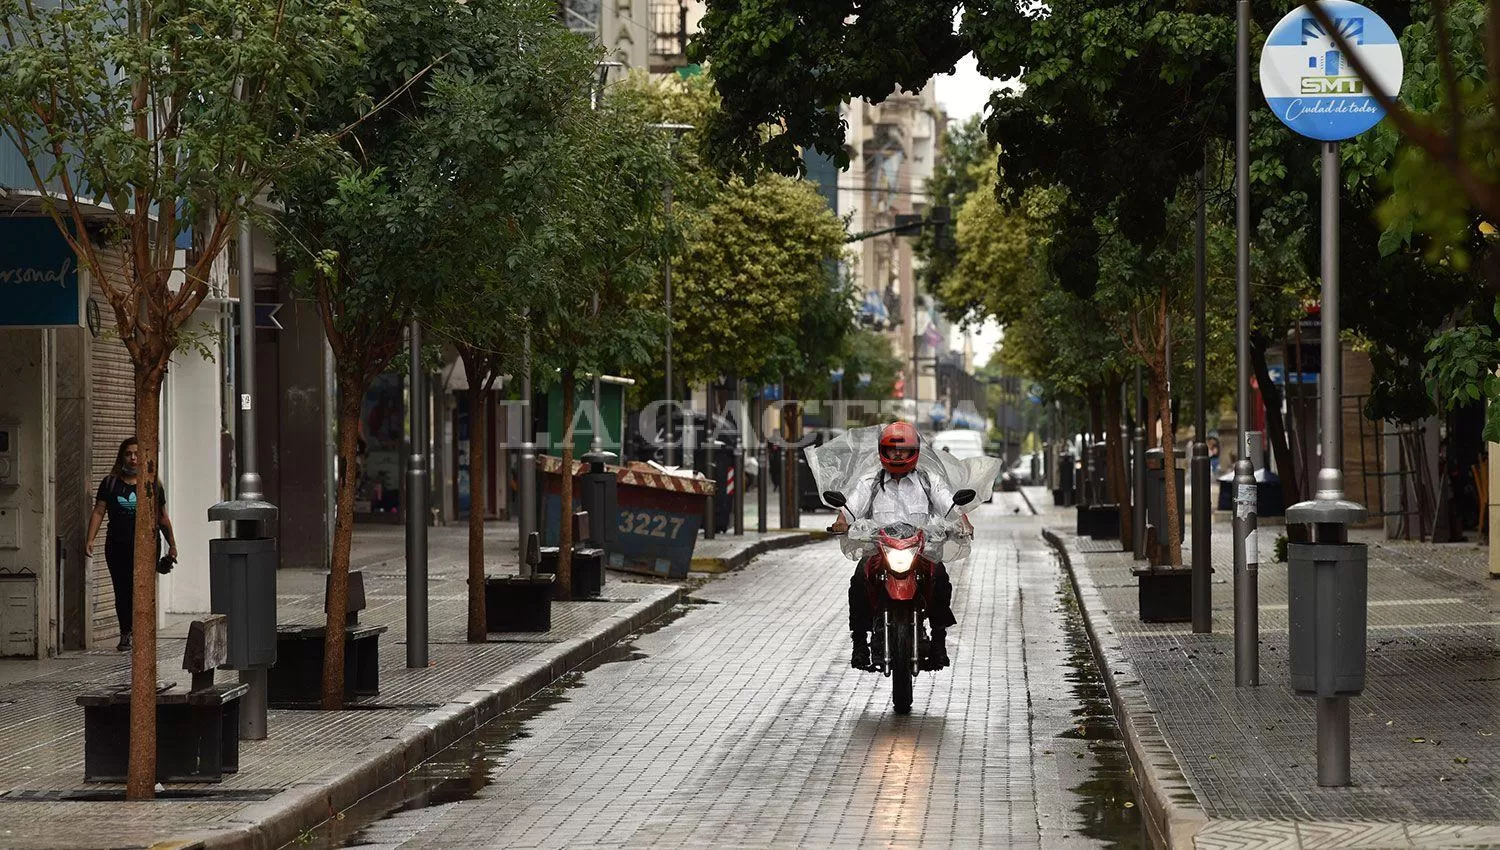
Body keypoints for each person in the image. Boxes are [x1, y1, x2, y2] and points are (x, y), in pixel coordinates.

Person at [828, 421, 962, 672]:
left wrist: (962, 521)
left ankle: (939, 640)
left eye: (904, 449)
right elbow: (851, 506)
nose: (898, 454)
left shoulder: (928, 480)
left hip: (920, 549)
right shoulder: (871, 481)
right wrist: (841, 521)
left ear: (915, 451)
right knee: (858, 581)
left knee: (940, 578)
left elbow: (949, 505)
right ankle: (859, 643)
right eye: (892, 449)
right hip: (880, 549)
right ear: (883, 451)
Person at [84, 437, 177, 651]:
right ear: (121, 457)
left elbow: (162, 517)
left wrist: (172, 544)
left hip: (146, 547)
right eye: (128, 454)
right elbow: (99, 511)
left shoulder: (152, 484)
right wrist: (90, 539)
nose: (133, 458)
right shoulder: (110, 483)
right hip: (117, 546)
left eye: (136, 454)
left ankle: (142, 633)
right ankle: (125, 632)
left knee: (142, 590)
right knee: (122, 590)